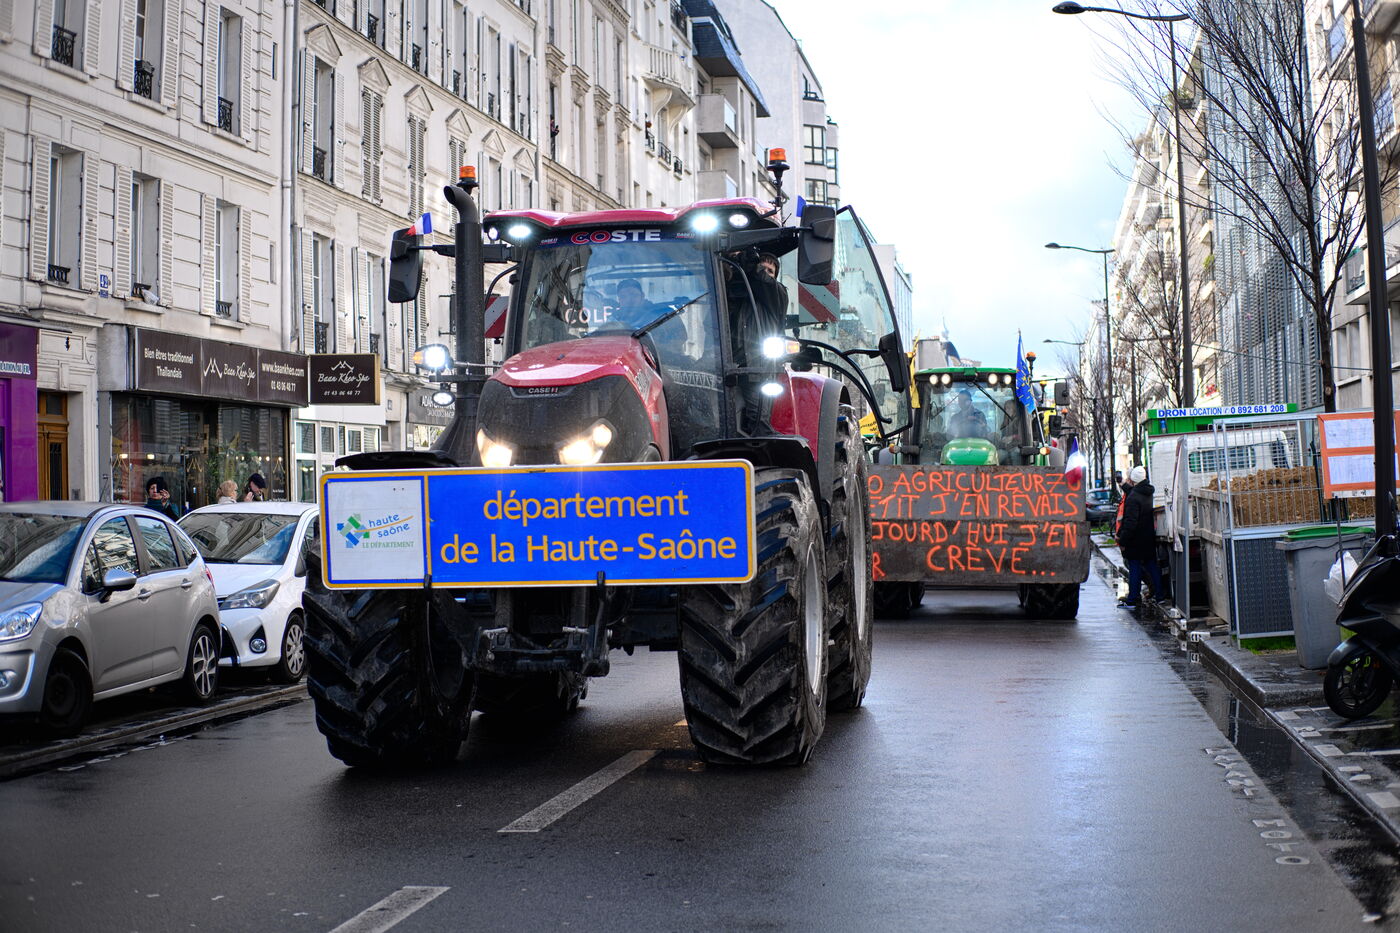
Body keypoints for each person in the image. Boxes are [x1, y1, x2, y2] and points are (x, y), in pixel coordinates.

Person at [1117, 465, 1162, 611]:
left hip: (1135, 540)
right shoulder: (1147, 492)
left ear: (1133, 479)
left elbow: (1130, 522)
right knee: (1152, 566)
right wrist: (1123, 484)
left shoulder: (1133, 498)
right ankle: (1160, 596)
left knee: (1134, 569)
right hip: (1148, 536)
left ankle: (1132, 599)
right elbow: (1134, 492)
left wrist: (1122, 540)